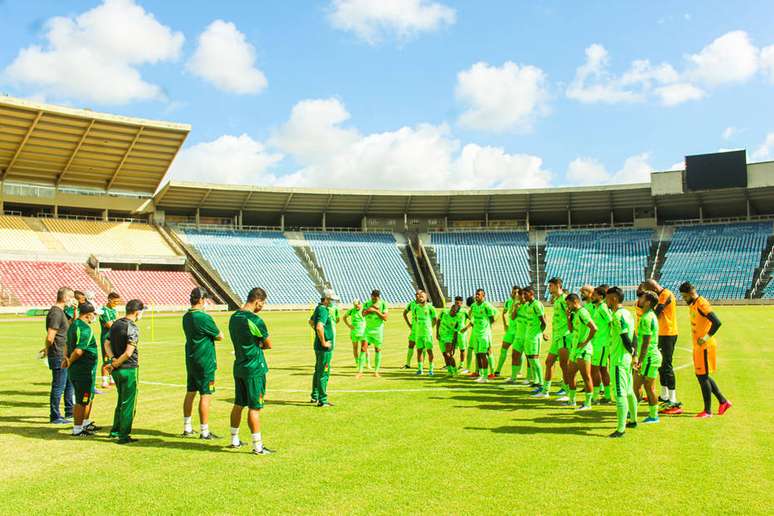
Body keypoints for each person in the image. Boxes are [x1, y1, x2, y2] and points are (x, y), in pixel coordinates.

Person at [228, 288, 274, 454]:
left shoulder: (233, 317)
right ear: (257, 301)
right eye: (262, 304)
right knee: (254, 407)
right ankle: (258, 446)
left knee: (238, 404)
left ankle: (234, 440)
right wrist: (259, 344)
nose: (262, 307)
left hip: (239, 365)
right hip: (254, 368)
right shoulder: (255, 320)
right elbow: (268, 344)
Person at [678, 282, 732, 418]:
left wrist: (706, 337)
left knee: (703, 377)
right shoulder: (694, 304)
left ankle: (707, 411)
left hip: (705, 346)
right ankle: (723, 401)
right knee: (702, 376)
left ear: (691, 293)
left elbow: (717, 322)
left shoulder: (702, 304)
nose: (684, 299)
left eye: (685, 296)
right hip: (698, 347)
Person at [182, 287, 223, 439]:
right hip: (204, 359)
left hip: (192, 358)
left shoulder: (186, 316)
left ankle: (187, 427)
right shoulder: (204, 317)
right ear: (200, 300)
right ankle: (204, 431)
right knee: (206, 394)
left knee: (190, 392)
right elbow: (220, 336)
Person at [104, 299, 144, 444]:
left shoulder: (116, 323)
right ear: (137, 312)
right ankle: (123, 435)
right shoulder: (132, 327)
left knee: (121, 401)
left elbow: (106, 343)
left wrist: (112, 359)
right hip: (128, 369)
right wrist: (116, 363)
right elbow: (128, 353)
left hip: (117, 370)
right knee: (128, 403)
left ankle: (115, 430)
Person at [641, 279, 682, 414]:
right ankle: (664, 396)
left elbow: (657, 311)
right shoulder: (661, 294)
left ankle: (673, 400)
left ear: (652, 288)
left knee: (667, 365)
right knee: (662, 366)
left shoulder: (665, 294)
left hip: (668, 333)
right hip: (662, 333)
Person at [62, 302, 99, 436]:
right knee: (81, 399)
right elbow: (78, 351)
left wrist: (65, 358)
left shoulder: (73, 325)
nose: (94, 317)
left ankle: (85, 423)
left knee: (87, 396)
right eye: (94, 315)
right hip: (83, 370)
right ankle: (77, 429)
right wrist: (69, 361)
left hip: (84, 369)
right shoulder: (85, 329)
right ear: (88, 315)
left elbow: (66, 343)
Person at [606, 287, 638, 437]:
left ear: (613, 298)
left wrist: (631, 352)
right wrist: (634, 354)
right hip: (626, 359)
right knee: (629, 390)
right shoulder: (628, 313)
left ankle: (620, 429)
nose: (606, 301)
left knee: (620, 393)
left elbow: (626, 338)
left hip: (619, 360)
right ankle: (633, 420)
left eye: (607, 298)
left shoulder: (618, 316)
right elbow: (634, 336)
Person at [40, 287, 74, 424]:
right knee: (59, 386)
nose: (73, 300)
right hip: (59, 353)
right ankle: (55, 416)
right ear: (65, 298)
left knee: (68, 384)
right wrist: (48, 349)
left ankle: (69, 412)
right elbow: (50, 337)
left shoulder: (62, 312)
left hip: (64, 352)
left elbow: (68, 326)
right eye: (71, 297)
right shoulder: (56, 313)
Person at [633, 290, 663, 424]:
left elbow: (646, 342)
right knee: (635, 385)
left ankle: (654, 415)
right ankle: (633, 409)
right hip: (646, 356)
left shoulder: (647, 318)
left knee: (649, 388)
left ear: (648, 302)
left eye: (642, 298)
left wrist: (640, 360)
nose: (639, 300)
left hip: (649, 357)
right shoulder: (648, 315)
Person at [565, 293, 597, 409]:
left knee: (586, 376)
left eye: (568, 304)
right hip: (575, 349)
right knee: (570, 374)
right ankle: (572, 401)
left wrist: (585, 342)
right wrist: (568, 318)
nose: (567, 306)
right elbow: (571, 329)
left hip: (583, 350)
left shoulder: (583, 312)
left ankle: (588, 403)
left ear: (575, 302)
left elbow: (594, 328)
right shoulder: (575, 313)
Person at [542, 278, 571, 400]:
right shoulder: (558, 299)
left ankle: (567, 390)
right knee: (549, 362)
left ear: (558, 285)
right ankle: (545, 391)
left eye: (551, 286)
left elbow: (571, 315)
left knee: (564, 364)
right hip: (556, 337)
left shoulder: (565, 299)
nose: (549, 288)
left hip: (564, 336)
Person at [310, 289, 338, 406]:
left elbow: (311, 321)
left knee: (318, 371)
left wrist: (319, 336)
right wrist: (324, 341)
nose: (332, 302)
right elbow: (318, 326)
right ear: (326, 299)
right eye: (331, 300)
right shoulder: (324, 310)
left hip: (318, 346)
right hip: (324, 348)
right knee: (324, 372)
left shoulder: (318, 308)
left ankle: (315, 395)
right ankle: (323, 400)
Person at [519, 286, 547, 395]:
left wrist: (541, 333)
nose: (524, 296)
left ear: (531, 293)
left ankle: (541, 383)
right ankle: (536, 381)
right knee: (530, 359)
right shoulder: (527, 305)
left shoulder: (537, 304)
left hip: (535, 337)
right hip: (528, 336)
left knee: (535, 360)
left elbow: (543, 321)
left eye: (525, 294)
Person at [465, 289, 497, 383]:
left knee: (483, 354)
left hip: (484, 334)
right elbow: (471, 316)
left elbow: (492, 318)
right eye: (476, 294)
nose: (477, 296)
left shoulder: (487, 305)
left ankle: (486, 376)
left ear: (483, 296)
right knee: (478, 354)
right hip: (476, 333)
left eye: (479, 294)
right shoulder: (474, 306)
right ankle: (481, 374)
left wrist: (486, 327)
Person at [590, 285, 612, 403]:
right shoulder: (598, 308)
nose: (592, 296)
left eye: (594, 294)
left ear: (601, 296)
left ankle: (595, 397)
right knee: (602, 369)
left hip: (602, 344)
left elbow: (611, 323)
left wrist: (609, 339)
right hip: (597, 343)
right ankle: (607, 396)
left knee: (595, 369)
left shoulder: (603, 308)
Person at [410, 290, 437, 376]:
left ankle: (431, 369)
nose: (421, 298)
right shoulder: (416, 308)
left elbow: (435, 319)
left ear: (426, 298)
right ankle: (420, 369)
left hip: (427, 333)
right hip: (419, 333)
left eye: (423, 296)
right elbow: (416, 318)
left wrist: (430, 327)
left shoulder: (430, 307)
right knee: (419, 351)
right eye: (420, 296)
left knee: (429, 351)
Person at [362, 289, 388, 377]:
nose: (374, 298)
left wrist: (376, 311)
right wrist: (368, 310)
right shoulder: (366, 303)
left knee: (378, 350)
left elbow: (385, 318)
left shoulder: (383, 304)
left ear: (379, 296)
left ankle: (376, 372)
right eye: (373, 296)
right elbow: (363, 314)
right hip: (368, 330)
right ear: (371, 295)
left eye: (376, 296)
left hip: (378, 331)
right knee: (363, 348)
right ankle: (360, 371)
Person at [437, 296, 466, 376]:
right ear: (451, 308)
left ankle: (455, 370)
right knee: (444, 354)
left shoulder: (457, 320)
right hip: (441, 336)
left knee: (448, 354)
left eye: (456, 311)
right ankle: (449, 371)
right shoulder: (444, 312)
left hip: (449, 337)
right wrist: (437, 333)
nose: (454, 312)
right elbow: (438, 321)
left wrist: (453, 345)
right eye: (453, 310)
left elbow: (455, 333)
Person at [495, 286, 521, 377]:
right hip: (510, 330)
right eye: (514, 292)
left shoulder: (521, 303)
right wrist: (505, 323)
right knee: (503, 349)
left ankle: (519, 371)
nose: (515, 294)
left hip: (519, 331)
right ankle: (498, 370)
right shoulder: (508, 302)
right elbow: (504, 313)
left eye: (517, 292)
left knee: (518, 352)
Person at [504, 289, 528, 384]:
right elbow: (513, 317)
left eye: (520, 295)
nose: (518, 296)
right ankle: (513, 377)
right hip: (518, 335)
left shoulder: (530, 306)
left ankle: (529, 378)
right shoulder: (518, 306)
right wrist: (515, 309)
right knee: (514, 355)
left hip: (527, 335)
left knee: (530, 357)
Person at [99, 292, 121, 389]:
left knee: (114, 359)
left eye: (118, 302)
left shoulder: (114, 310)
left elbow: (116, 323)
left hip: (114, 338)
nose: (116, 303)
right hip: (106, 339)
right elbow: (110, 325)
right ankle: (104, 382)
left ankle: (112, 379)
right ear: (109, 300)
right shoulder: (104, 311)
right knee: (107, 360)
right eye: (115, 302)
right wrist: (117, 323)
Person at [344, 299, 368, 377]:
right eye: (354, 305)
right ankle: (357, 363)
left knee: (364, 348)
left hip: (363, 332)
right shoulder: (351, 311)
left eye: (357, 305)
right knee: (355, 347)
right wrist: (349, 325)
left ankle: (368, 363)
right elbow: (344, 317)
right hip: (354, 332)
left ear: (360, 304)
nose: (356, 306)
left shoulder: (363, 310)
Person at [402, 289, 424, 369]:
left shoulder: (426, 305)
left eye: (419, 294)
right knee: (411, 345)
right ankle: (407, 364)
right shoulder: (411, 304)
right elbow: (404, 313)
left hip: (422, 330)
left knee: (422, 347)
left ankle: (421, 365)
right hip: (414, 329)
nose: (417, 296)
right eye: (416, 294)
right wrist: (409, 324)